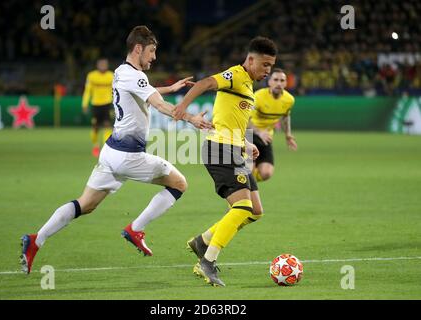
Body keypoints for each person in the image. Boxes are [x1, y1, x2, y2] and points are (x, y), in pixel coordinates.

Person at [20, 25, 212, 274]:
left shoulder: (121, 71)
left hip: (111, 152)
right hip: (129, 156)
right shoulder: (137, 76)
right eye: (152, 51)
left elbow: (142, 91)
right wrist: (191, 118)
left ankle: (36, 240)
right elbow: (160, 105)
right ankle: (136, 229)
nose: (154, 57)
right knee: (179, 184)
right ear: (138, 48)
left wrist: (170, 88)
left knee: (85, 204)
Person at [173, 36, 278, 287]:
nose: (268, 71)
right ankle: (207, 261)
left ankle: (203, 241)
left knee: (255, 212)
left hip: (234, 149)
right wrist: (182, 107)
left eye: (271, 66)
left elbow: (229, 119)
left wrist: (245, 143)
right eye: (264, 65)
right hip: (219, 151)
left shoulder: (248, 85)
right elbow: (207, 83)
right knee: (241, 207)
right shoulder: (235, 75)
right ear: (250, 60)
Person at [250, 68, 297, 182]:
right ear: (269, 82)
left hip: (266, 137)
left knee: (266, 173)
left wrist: (288, 135)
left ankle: (248, 181)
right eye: (275, 80)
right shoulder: (258, 96)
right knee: (247, 171)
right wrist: (259, 132)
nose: (279, 83)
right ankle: (246, 185)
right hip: (250, 135)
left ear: (286, 83)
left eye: (282, 80)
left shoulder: (289, 100)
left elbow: (285, 117)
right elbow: (246, 119)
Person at [82, 58, 114, 157]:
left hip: (108, 104)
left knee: (107, 125)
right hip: (96, 104)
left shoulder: (111, 76)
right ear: (97, 65)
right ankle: (95, 145)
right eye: (101, 64)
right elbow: (87, 91)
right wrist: (84, 104)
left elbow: (116, 91)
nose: (103, 66)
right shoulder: (91, 76)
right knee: (95, 127)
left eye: (105, 64)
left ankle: (106, 148)